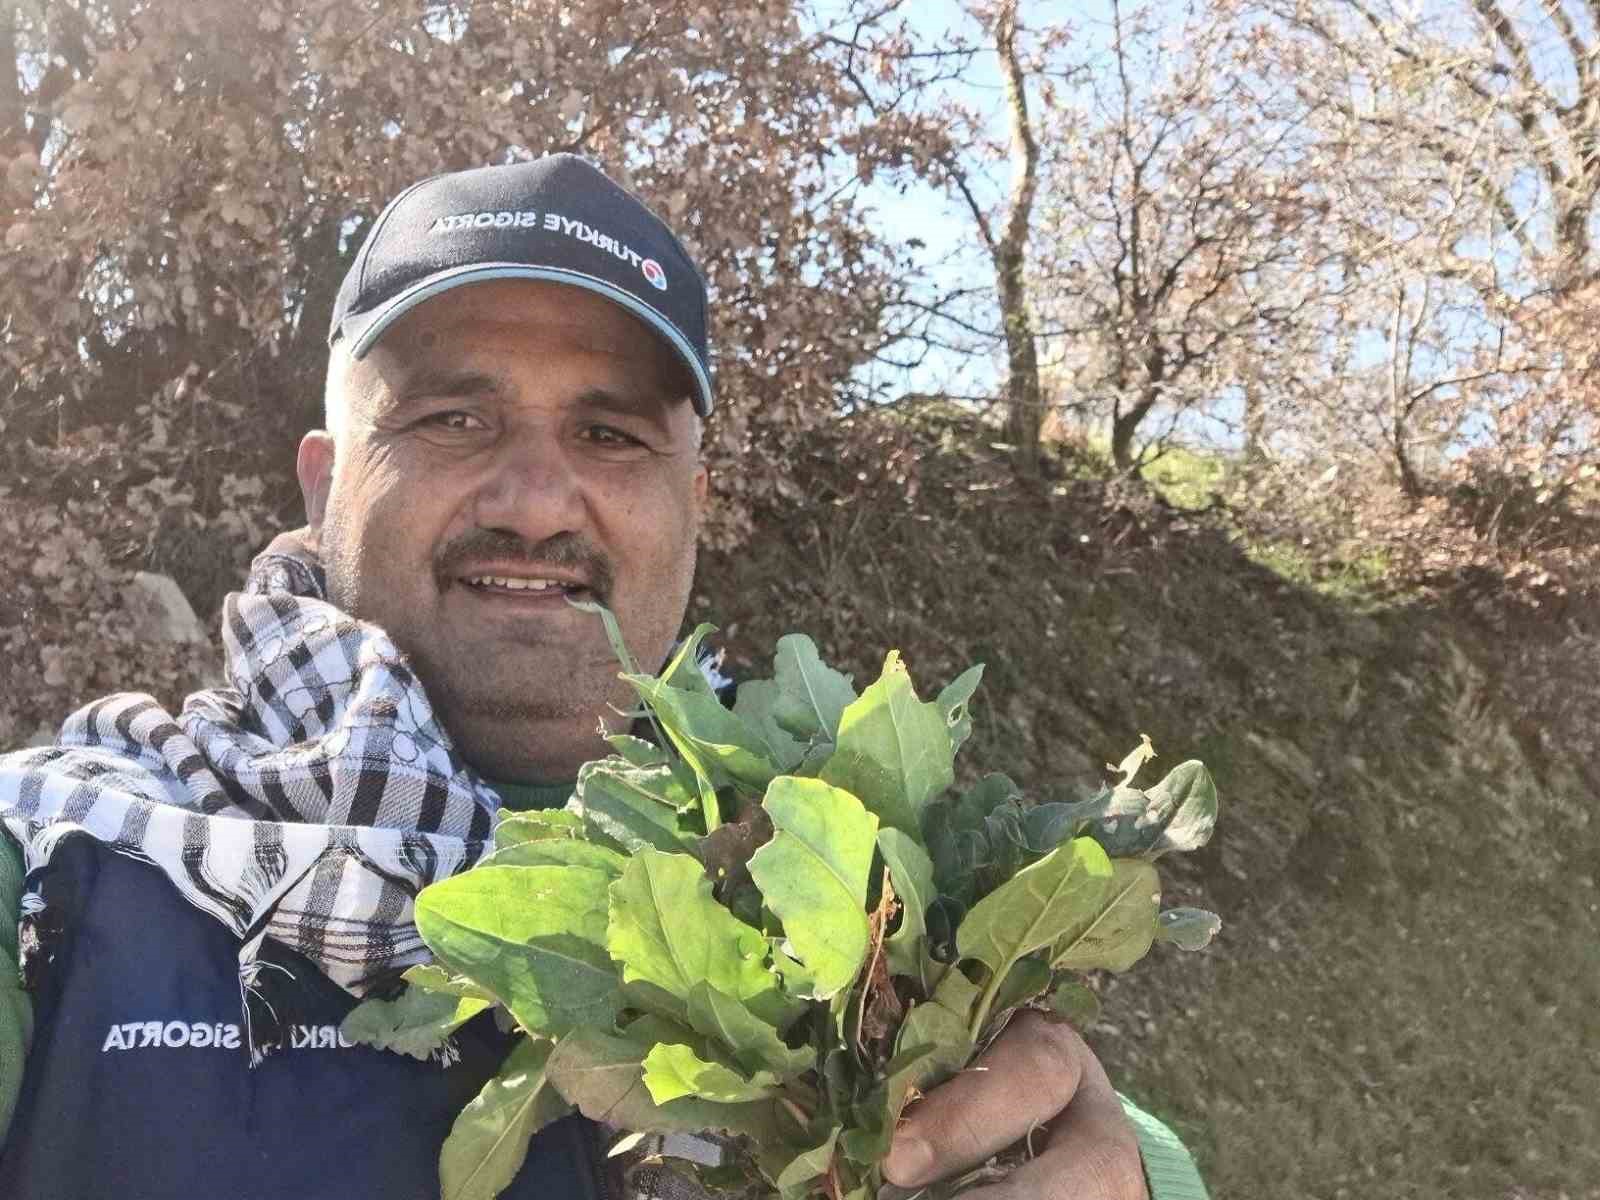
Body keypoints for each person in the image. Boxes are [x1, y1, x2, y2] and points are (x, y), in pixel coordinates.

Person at [0, 155, 1207, 1199]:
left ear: (695, 503)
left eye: (609, 434)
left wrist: (1132, 1161)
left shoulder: (883, 913)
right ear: (323, 486)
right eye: (452, 420)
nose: (535, 503)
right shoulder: (55, 876)